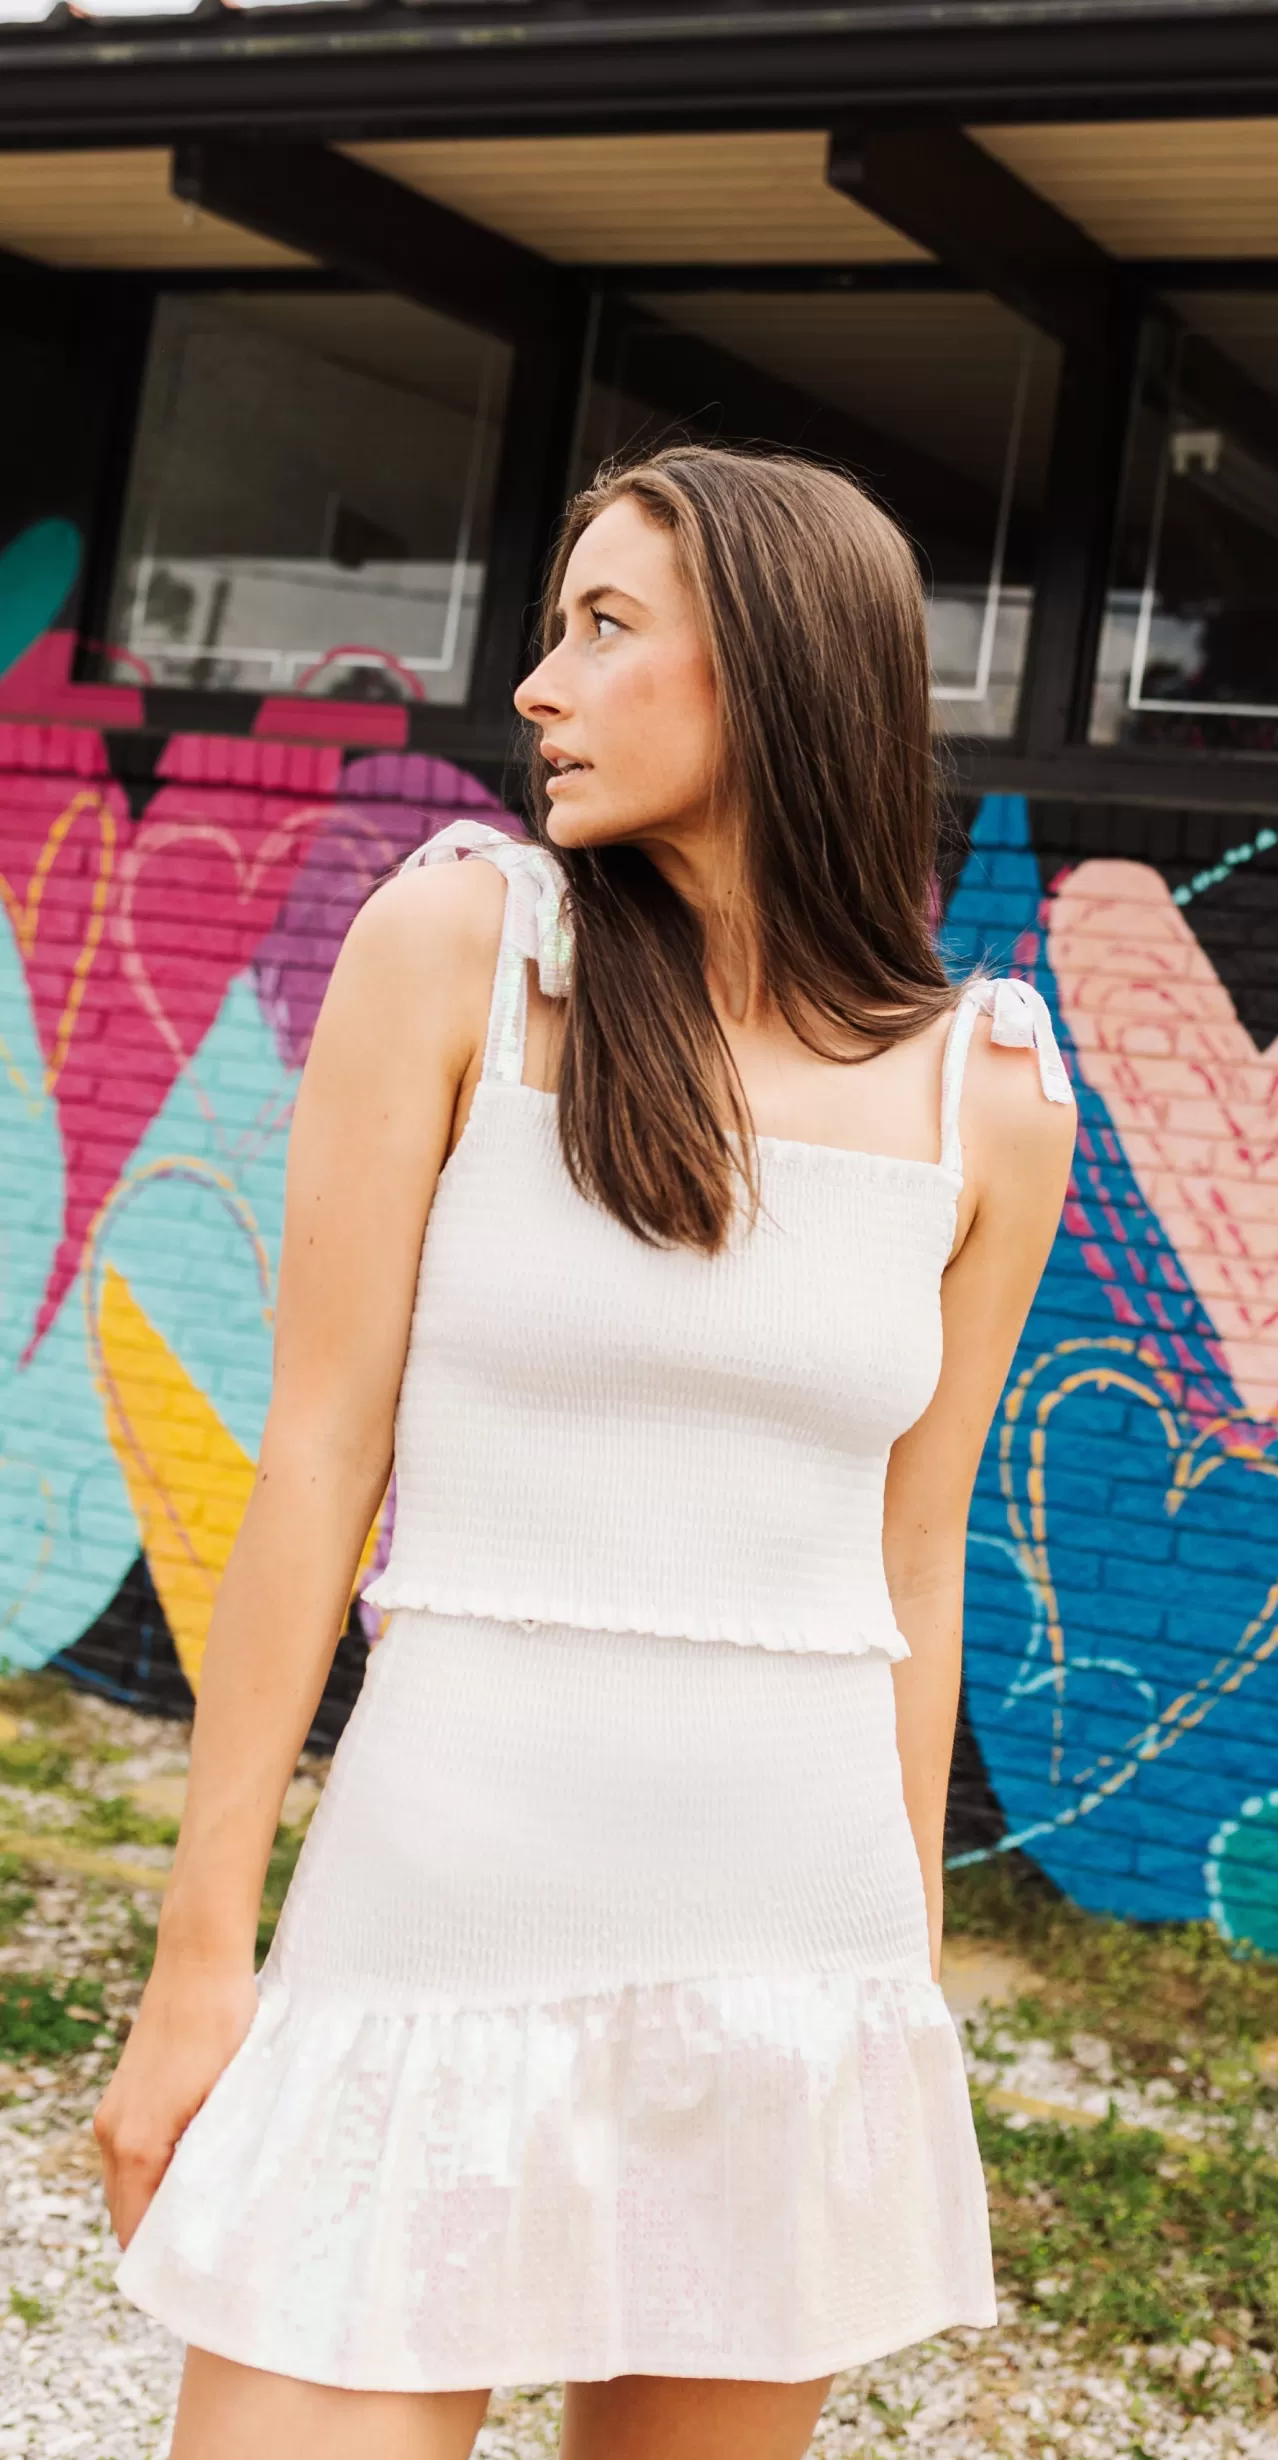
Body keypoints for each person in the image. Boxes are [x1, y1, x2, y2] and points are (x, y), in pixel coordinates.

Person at [94, 444, 1077, 2460]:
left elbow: (913, 1565)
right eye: (556, 627)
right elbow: (315, 1463)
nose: (537, 686)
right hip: (428, 1925)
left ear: (782, 676)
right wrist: (203, 1960)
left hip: (784, 1958)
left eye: (605, 631)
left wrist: (888, 2001)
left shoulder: (991, 1098)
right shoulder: (464, 951)